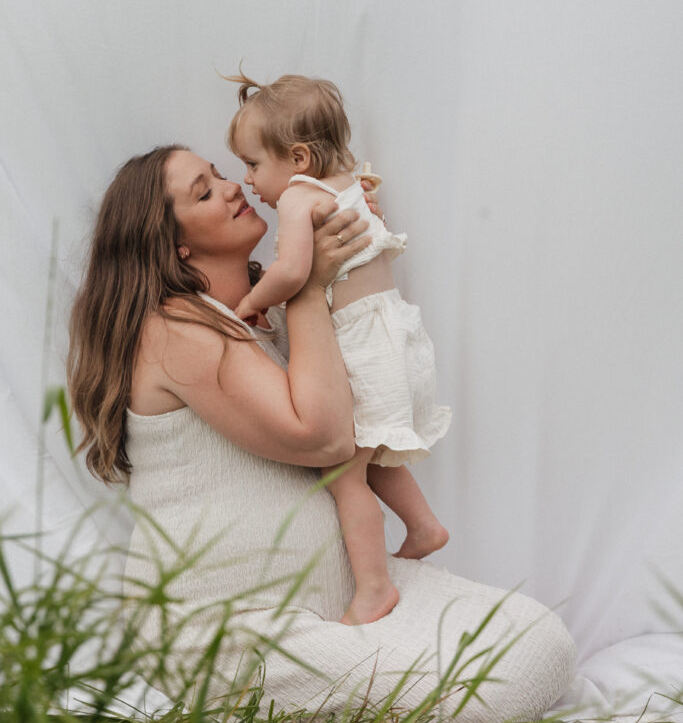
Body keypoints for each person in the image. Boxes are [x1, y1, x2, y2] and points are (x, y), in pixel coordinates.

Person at [67, 144, 575, 720]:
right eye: (203, 192)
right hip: (231, 632)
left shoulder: (272, 314)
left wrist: (349, 235)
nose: (232, 187)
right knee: (490, 688)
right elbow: (324, 439)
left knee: (540, 640)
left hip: (343, 600)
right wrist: (308, 283)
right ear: (173, 244)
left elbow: (370, 390)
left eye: (220, 174)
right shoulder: (174, 325)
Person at [226, 73, 451, 625]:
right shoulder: (350, 184)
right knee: (367, 452)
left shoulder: (301, 199)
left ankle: (373, 588)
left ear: (297, 158)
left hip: (363, 345)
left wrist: (250, 303)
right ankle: (424, 527)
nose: (247, 179)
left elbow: (295, 271)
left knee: (342, 475)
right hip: (396, 338)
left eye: (253, 164)